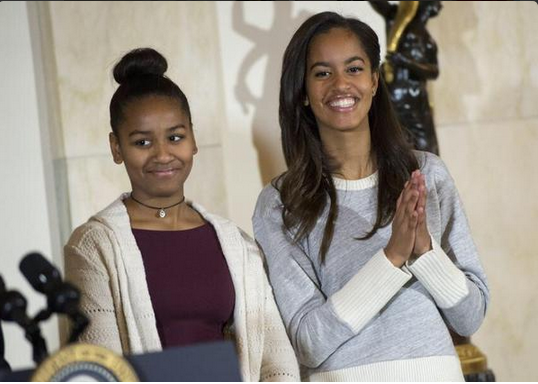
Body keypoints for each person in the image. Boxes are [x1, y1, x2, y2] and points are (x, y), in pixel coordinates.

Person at [252, 12, 489, 382]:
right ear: (301, 92)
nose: (341, 84)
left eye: (354, 68)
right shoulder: (280, 203)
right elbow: (308, 342)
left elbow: (470, 316)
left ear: (375, 81)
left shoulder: (427, 175)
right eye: (322, 73)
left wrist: (425, 253)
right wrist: (393, 256)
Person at [64, 48, 299, 382]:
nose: (163, 154)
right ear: (116, 148)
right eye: (142, 142)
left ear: (193, 139)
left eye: (175, 137)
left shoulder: (237, 244)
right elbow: (99, 369)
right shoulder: (92, 246)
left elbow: (277, 361)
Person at [370, 0, 442, 155]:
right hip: (394, 97)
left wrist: (405, 62)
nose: (439, 5)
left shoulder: (428, 42)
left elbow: (434, 71)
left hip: (417, 101)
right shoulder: (395, 18)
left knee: (428, 150)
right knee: (397, 148)